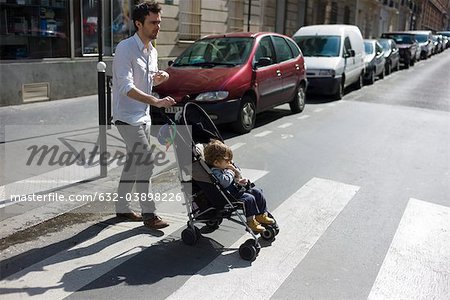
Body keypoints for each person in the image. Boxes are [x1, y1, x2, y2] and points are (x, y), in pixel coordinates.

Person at [112, 1, 176, 229]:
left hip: (143, 116)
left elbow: (146, 80)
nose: (157, 26)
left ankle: (121, 208)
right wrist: (156, 101)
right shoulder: (125, 48)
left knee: (133, 163)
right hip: (127, 117)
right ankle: (149, 215)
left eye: (159, 22)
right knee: (146, 162)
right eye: (152, 22)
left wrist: (159, 78)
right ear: (138, 24)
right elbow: (125, 87)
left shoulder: (153, 50)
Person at [203, 139, 275, 233]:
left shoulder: (223, 167)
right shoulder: (215, 171)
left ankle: (261, 215)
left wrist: (239, 180)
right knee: (249, 199)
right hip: (229, 196)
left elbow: (233, 179)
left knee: (257, 191)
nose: (230, 162)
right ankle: (251, 222)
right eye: (227, 160)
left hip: (236, 190)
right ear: (216, 162)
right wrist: (231, 171)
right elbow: (225, 182)